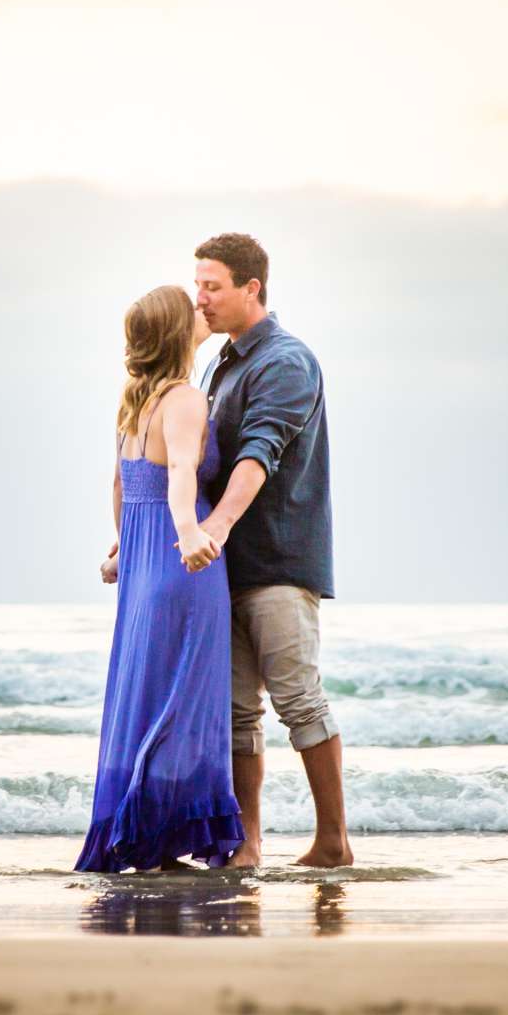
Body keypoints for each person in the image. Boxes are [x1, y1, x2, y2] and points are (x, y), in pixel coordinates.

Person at [190, 232, 352, 869]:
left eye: (213, 286)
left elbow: (261, 452)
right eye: (197, 284)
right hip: (222, 567)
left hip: (279, 561)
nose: (199, 297)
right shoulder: (221, 363)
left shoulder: (285, 360)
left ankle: (333, 841)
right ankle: (248, 844)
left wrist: (219, 526)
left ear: (251, 288)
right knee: (235, 714)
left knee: (300, 702)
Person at [75, 285, 247, 874]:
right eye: (191, 309)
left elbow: (121, 486)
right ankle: (156, 836)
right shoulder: (184, 399)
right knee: (185, 701)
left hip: (144, 568)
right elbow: (179, 470)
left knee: (148, 696)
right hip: (183, 565)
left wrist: (123, 548)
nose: (203, 311)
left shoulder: (135, 402)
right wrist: (189, 531)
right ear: (177, 333)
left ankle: (142, 834)